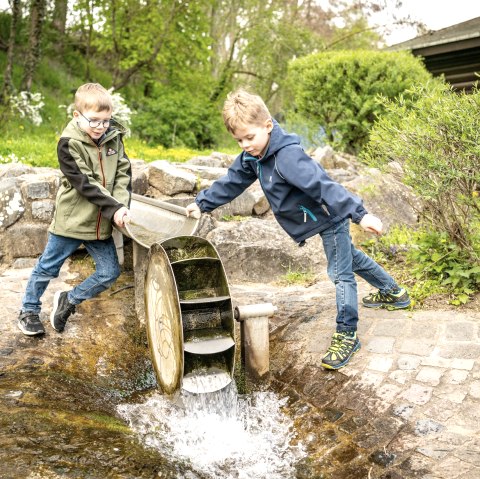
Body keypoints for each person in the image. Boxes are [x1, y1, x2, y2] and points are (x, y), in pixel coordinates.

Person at [186, 89, 410, 370]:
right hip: (315, 217)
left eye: (249, 137)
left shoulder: (287, 157)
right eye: (238, 140)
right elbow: (233, 181)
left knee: (340, 274)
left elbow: (323, 185)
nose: (244, 145)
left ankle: (346, 333)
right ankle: (394, 292)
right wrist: (202, 203)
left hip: (332, 215)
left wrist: (360, 214)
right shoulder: (254, 155)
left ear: (268, 126)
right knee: (349, 258)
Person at [17, 83, 132, 337]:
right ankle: (28, 310)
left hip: (101, 222)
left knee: (109, 272)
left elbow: (123, 173)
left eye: (106, 121)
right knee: (47, 267)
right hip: (72, 221)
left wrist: (121, 205)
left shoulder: (113, 137)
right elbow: (85, 183)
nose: (101, 127)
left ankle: (69, 300)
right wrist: (114, 207)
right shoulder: (68, 144)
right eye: (94, 121)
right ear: (77, 116)